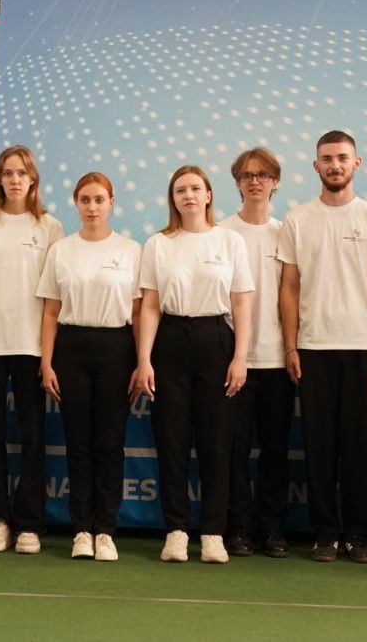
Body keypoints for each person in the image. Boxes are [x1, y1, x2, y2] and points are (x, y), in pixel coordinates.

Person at [278, 130, 367, 563]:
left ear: (356, 163)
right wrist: (291, 347)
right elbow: (289, 288)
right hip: (313, 348)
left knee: (361, 448)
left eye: (342, 158)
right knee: (319, 448)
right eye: (327, 159)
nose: (335, 165)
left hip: (364, 349)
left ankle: (358, 534)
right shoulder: (297, 219)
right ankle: (326, 533)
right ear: (316, 166)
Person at [131, 165, 252, 564]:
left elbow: (241, 304)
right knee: (172, 442)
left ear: (208, 195)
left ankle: (214, 533)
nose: (188, 195)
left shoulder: (229, 241)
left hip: (216, 340)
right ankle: (176, 531)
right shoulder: (158, 244)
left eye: (195, 188)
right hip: (169, 342)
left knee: (217, 443)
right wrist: (144, 360)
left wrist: (240, 357)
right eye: (180, 190)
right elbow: (150, 306)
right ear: (173, 198)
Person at [0, 144, 64, 553]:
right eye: (7, 173)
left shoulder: (50, 227)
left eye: (22, 173)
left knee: (32, 434)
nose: (15, 179)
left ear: (33, 179)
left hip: (31, 345)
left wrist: (48, 354)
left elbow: (53, 298)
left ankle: (29, 525)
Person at [38, 172, 139, 561]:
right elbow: (51, 310)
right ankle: (81, 529)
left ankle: (106, 531)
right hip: (71, 348)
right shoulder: (61, 250)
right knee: (78, 443)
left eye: (99, 199)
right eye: (85, 200)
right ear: (76, 204)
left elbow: (138, 312)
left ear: (111, 202)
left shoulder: (131, 250)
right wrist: (47, 362)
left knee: (110, 444)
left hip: (116, 348)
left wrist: (140, 361)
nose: (92, 207)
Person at [220, 148, 293, 559]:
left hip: (277, 361)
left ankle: (273, 528)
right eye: (247, 175)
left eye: (263, 175)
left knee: (275, 450)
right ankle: (238, 528)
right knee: (234, 451)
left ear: (275, 181)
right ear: (237, 182)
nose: (255, 181)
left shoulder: (286, 234)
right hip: (233, 362)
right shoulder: (221, 233)